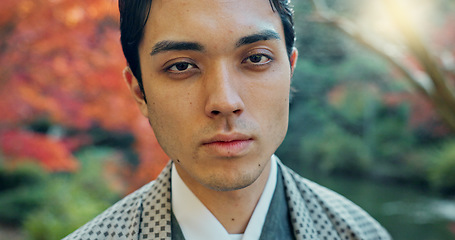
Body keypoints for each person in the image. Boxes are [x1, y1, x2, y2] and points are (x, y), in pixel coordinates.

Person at [64, 0, 391, 239]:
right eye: (180, 66)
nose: (224, 101)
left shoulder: (360, 233)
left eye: (256, 58)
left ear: (290, 71)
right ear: (140, 92)